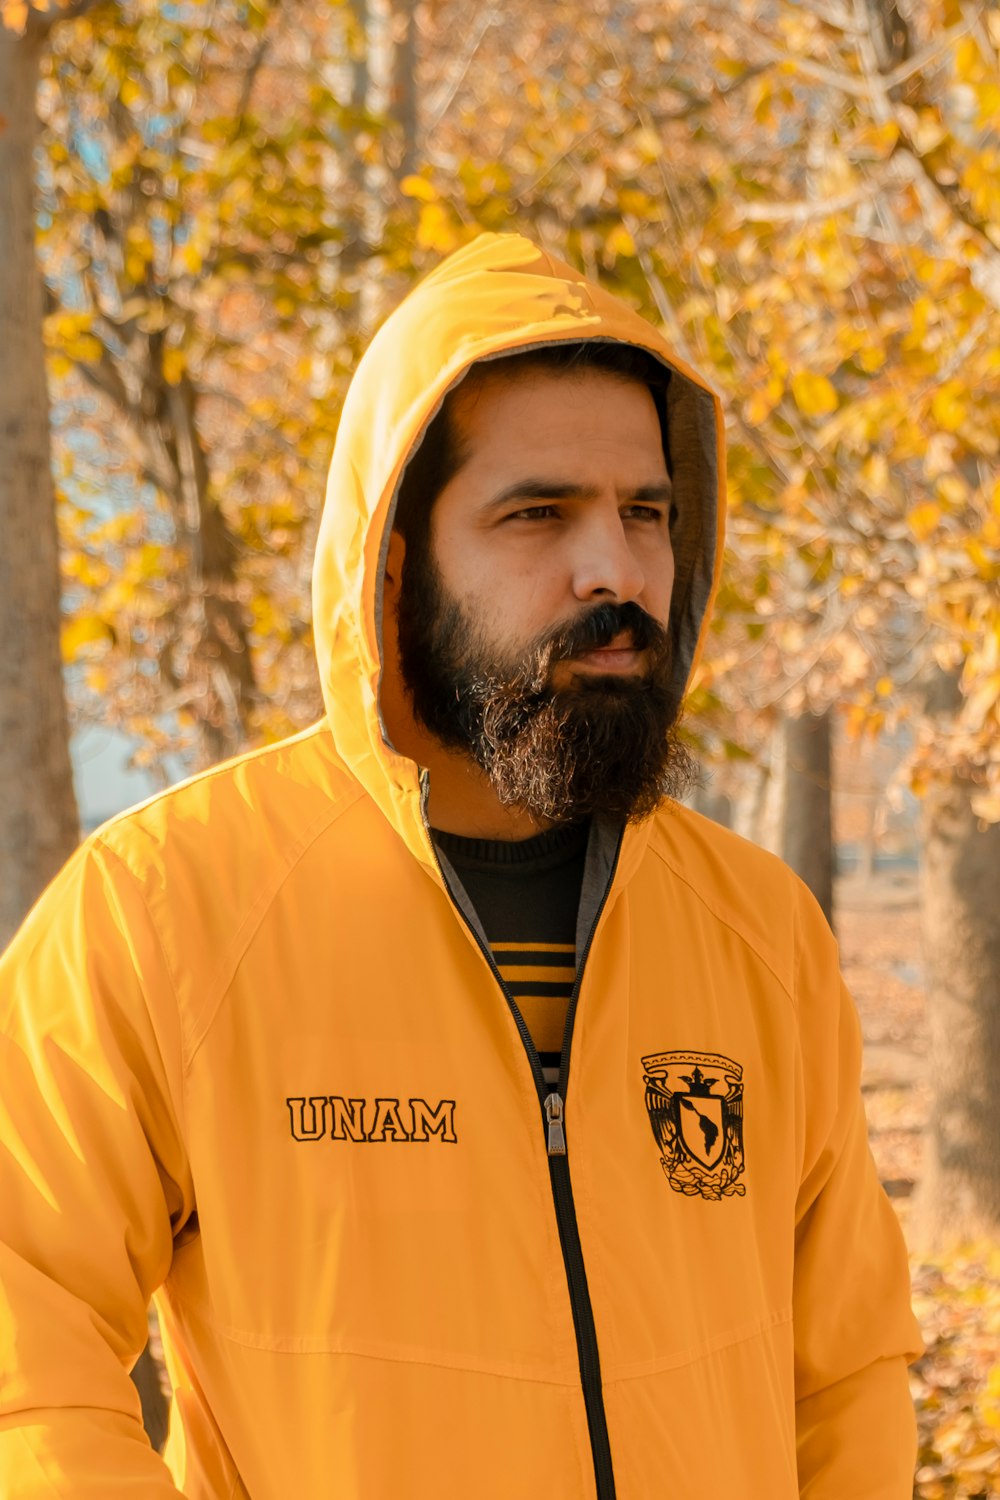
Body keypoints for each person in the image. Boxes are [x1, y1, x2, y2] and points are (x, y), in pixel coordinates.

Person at [0, 233, 920, 1498]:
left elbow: (847, 1375)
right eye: (536, 512)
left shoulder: (761, 931)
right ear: (394, 562)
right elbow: (24, 1353)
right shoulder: (162, 912)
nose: (615, 568)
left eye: (645, 514)